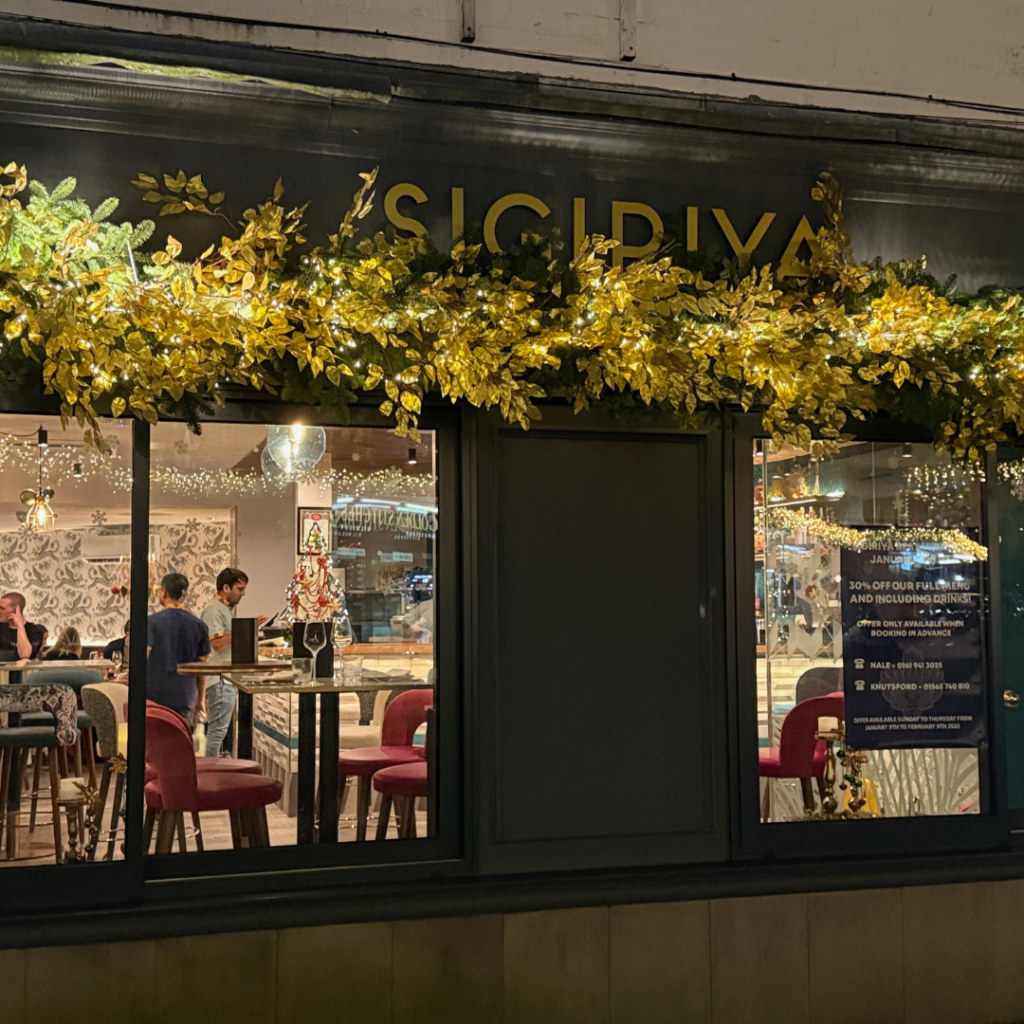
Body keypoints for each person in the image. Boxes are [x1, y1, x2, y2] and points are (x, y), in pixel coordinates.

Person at [201, 567, 265, 759]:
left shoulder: (224, 610)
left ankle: (213, 768)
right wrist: (247, 628)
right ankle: (209, 771)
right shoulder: (213, 609)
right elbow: (217, 643)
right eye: (240, 589)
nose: (243, 593)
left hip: (225, 677)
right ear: (226, 587)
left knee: (220, 730)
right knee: (217, 731)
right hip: (220, 677)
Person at [146, 573, 210, 725]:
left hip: (154, 694)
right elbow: (201, 668)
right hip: (185, 695)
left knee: (155, 744)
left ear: (164, 592)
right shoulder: (199, 625)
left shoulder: (151, 622)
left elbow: (142, 657)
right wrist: (201, 700)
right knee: (180, 741)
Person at [0, 592, 46, 660]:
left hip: (23, 670)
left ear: (16, 610)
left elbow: (25, 655)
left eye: (2, 608)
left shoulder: (35, 632)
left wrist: (19, 626)